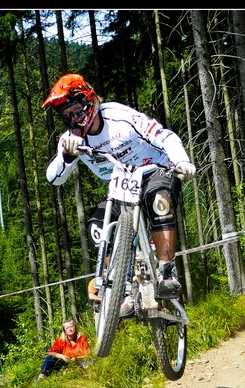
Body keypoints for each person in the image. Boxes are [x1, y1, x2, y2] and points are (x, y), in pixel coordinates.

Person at [42, 73, 197, 316]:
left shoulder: (120, 117)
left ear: (89, 102)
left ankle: (167, 271)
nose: (74, 119)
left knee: (159, 201)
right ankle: (122, 287)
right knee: (97, 226)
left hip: (155, 170)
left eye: (77, 111)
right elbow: (54, 178)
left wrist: (182, 161)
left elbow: (164, 135)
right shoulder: (71, 139)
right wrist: (67, 157)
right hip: (122, 185)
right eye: (67, 115)